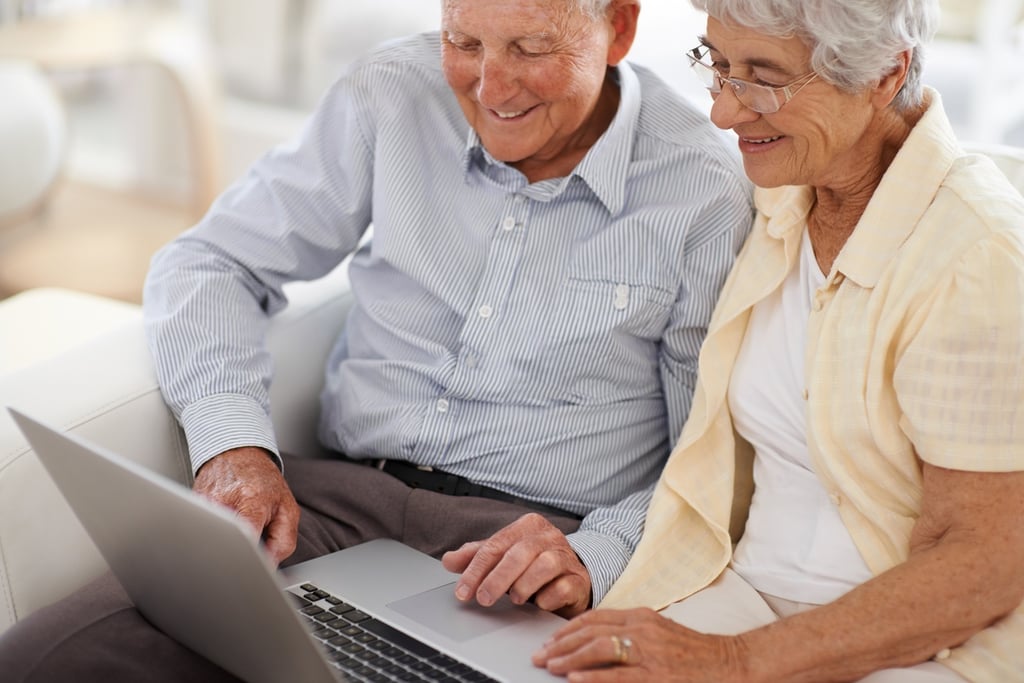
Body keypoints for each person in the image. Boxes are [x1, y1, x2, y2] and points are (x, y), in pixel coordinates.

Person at [0, 0, 753, 680]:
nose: (490, 89)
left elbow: (707, 450)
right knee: (41, 660)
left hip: (516, 550)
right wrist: (234, 446)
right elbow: (210, 261)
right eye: (464, 40)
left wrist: (592, 557)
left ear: (617, 27)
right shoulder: (389, 93)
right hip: (328, 505)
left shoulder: (701, 191)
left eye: (529, 47)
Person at [533, 0, 1024, 681]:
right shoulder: (785, 194)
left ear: (885, 73)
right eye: (719, 66)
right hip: (742, 587)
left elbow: (984, 562)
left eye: (763, 77)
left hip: (923, 642)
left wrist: (732, 662)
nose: (725, 113)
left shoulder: (979, 256)